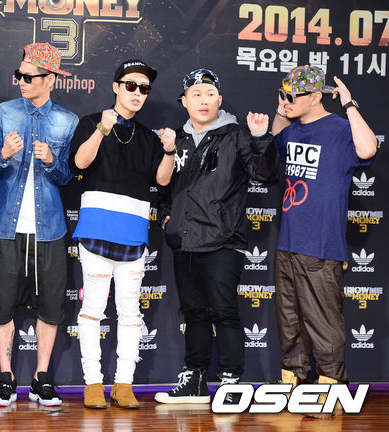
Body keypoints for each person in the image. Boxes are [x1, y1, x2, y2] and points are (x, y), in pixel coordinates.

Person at [154, 68, 278, 405]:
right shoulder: (175, 139)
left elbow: (264, 174)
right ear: (184, 101)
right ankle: (194, 380)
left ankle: (230, 383)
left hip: (223, 240)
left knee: (224, 312)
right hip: (184, 241)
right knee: (194, 313)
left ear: (220, 99)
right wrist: (165, 215)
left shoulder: (236, 135)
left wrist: (260, 138)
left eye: (210, 94)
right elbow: (164, 186)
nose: (204, 100)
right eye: (196, 94)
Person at [271, 65, 376, 418]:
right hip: (287, 243)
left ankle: (331, 387)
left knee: (323, 322)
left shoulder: (340, 129)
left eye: (291, 96)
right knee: (289, 322)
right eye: (282, 93)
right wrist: (281, 109)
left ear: (316, 96)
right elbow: (275, 148)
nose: (285, 100)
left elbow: (368, 149)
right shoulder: (291, 129)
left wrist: (349, 104)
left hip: (321, 246)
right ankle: (293, 381)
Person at [70, 59, 176, 409]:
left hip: (134, 234)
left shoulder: (149, 138)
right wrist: (102, 129)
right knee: (92, 311)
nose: (137, 93)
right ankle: (93, 384)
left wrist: (170, 150)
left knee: (130, 314)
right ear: (116, 87)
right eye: (130, 85)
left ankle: (123, 384)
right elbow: (80, 163)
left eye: (144, 88)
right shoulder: (91, 123)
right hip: (96, 232)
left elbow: (162, 180)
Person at [0, 43, 78, 407]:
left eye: (29, 77)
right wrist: (4, 155)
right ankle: (5, 377)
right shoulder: (1, 113)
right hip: (7, 227)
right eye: (19, 75)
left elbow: (68, 176)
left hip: (50, 229)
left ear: (50, 79)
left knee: (51, 307)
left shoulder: (67, 121)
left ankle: (42, 378)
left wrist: (53, 161)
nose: (21, 82)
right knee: (2, 305)